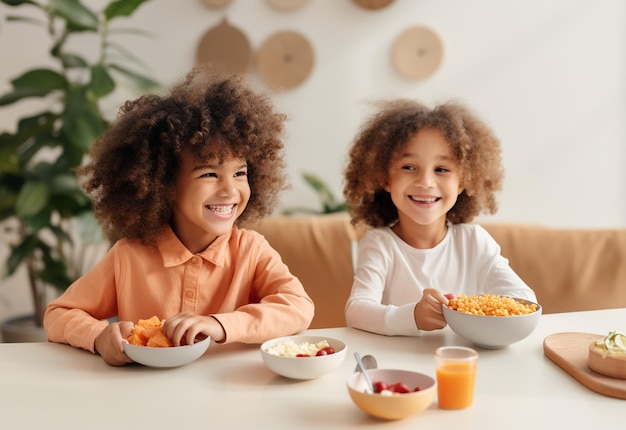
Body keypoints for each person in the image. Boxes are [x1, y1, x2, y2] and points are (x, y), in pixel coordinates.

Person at [44, 67, 314, 365]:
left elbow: (298, 307)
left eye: (240, 173)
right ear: (165, 184)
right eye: (209, 173)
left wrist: (221, 324)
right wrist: (98, 337)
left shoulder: (251, 250)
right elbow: (59, 314)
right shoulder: (129, 256)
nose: (230, 190)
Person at [343, 99, 536, 336]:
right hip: (401, 367)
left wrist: (474, 310)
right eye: (409, 167)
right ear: (385, 177)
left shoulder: (474, 241)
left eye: (441, 169)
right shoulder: (380, 244)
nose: (425, 181)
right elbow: (356, 310)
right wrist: (412, 315)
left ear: (463, 181)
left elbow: (524, 300)